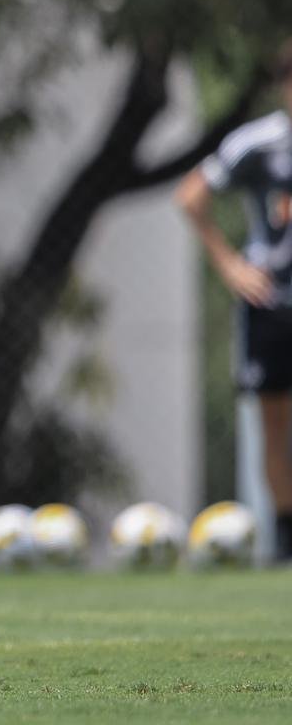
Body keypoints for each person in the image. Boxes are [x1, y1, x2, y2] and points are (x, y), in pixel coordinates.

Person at [174, 43, 292, 562]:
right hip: (271, 300)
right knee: (273, 419)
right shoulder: (260, 143)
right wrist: (230, 264)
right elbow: (191, 195)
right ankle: (288, 540)